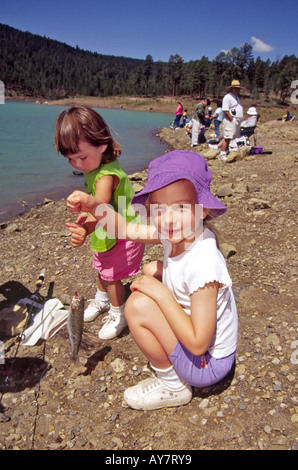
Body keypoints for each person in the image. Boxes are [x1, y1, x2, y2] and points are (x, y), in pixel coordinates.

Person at [66, 150, 238, 411]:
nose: (168, 218)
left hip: (207, 365)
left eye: (180, 206)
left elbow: (198, 344)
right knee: (150, 269)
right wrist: (94, 207)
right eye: (160, 208)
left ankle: (174, 386)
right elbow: (124, 229)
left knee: (136, 305)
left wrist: (160, 294)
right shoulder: (184, 231)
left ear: (203, 210)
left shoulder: (204, 262)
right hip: (202, 348)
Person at [55, 105, 145, 340]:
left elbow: (101, 209)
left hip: (122, 233)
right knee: (101, 268)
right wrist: (83, 214)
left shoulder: (106, 176)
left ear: (102, 144)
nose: (78, 165)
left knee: (111, 275)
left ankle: (119, 314)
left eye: (82, 157)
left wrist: (85, 226)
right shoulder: (94, 166)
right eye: (70, 160)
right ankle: (102, 300)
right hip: (106, 232)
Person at [217, 80, 243, 160]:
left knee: (233, 136)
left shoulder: (237, 98)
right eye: (235, 88)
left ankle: (227, 150)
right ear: (232, 88)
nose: (236, 89)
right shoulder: (228, 97)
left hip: (236, 120)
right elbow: (225, 109)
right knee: (227, 137)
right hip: (230, 120)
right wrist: (232, 119)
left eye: (238, 88)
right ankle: (222, 153)